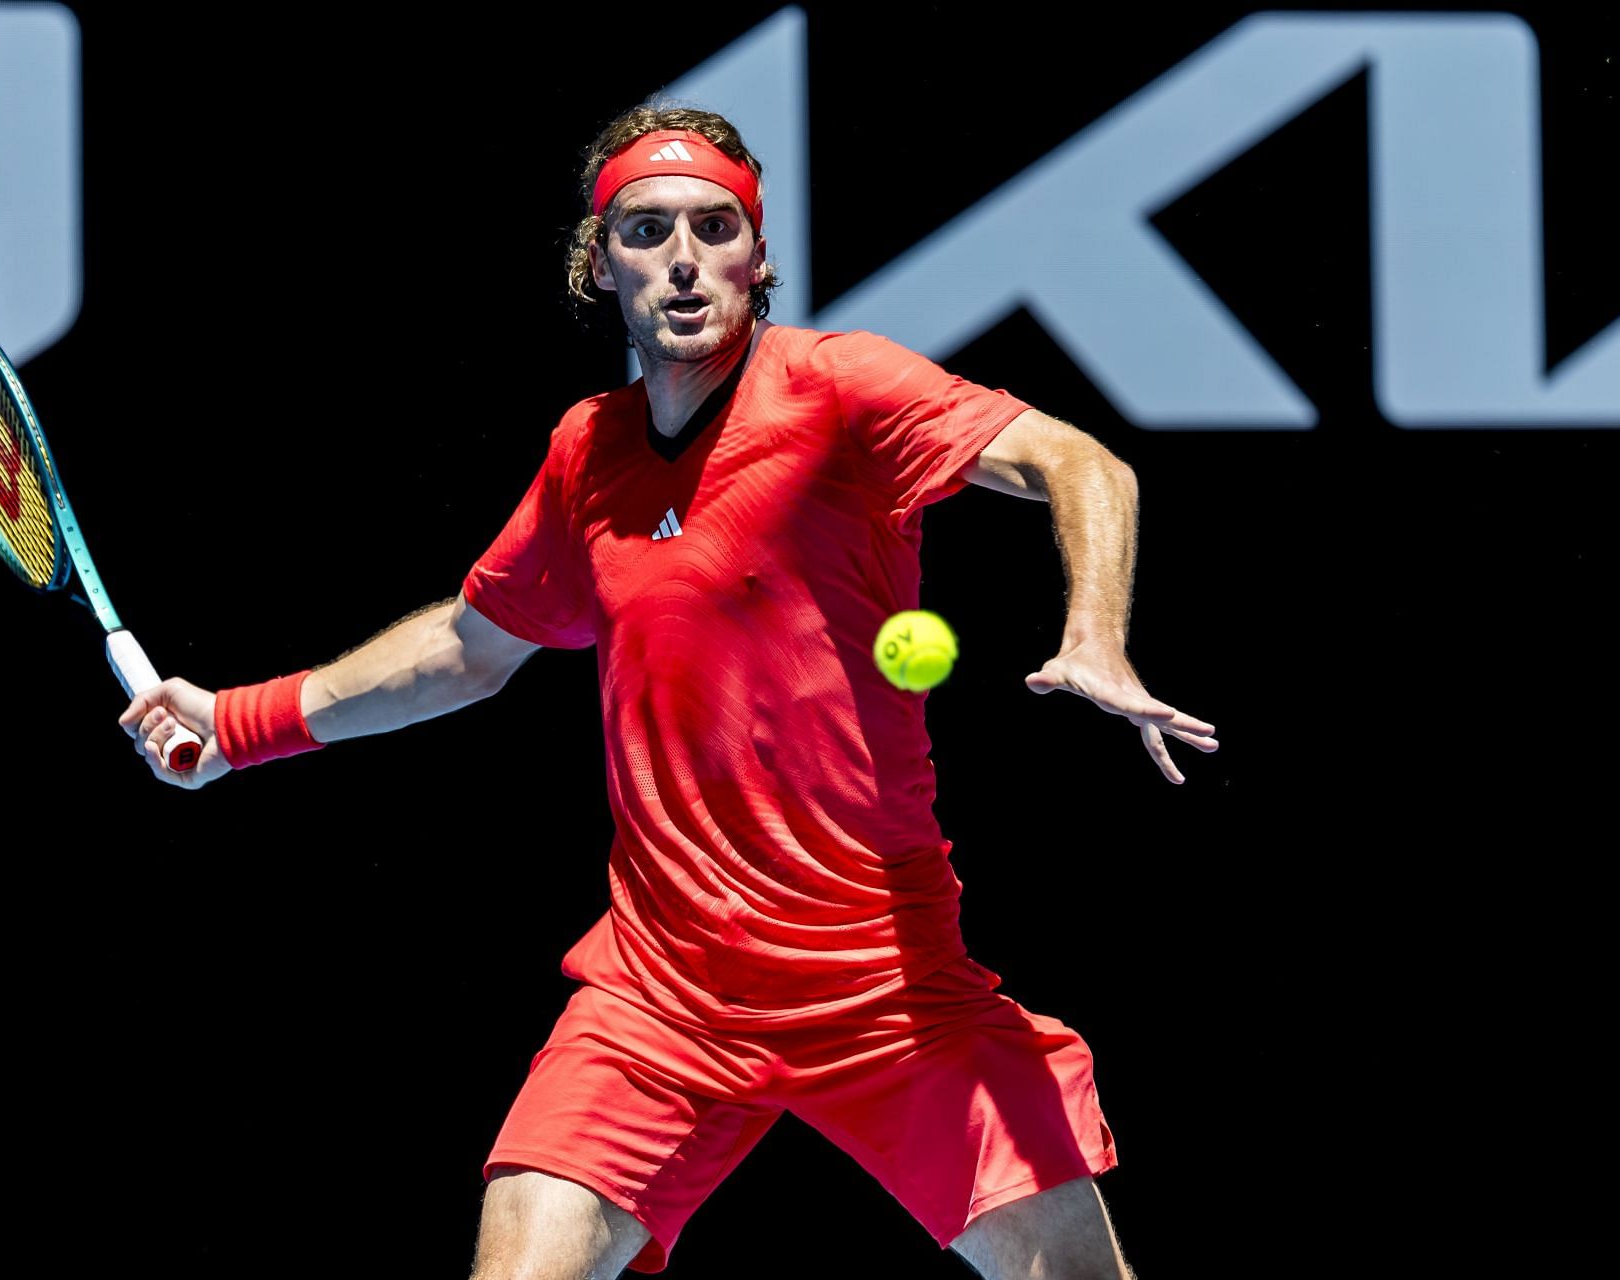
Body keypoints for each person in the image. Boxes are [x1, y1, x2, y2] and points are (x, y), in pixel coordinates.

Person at [121, 102, 1217, 1279]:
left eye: (714, 226)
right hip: (663, 995)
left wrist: (1095, 631)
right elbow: (471, 645)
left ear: (758, 256)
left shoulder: (842, 389)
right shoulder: (586, 451)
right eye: (647, 231)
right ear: (602, 265)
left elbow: (1078, 459)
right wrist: (239, 723)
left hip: (887, 990)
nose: (685, 258)